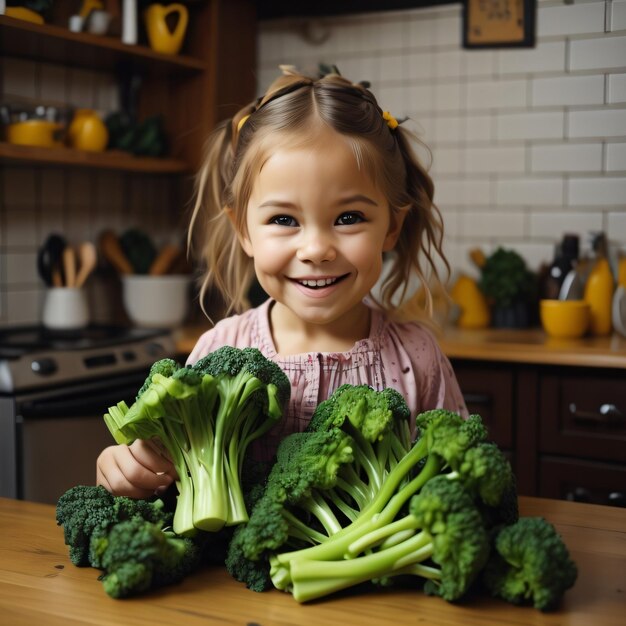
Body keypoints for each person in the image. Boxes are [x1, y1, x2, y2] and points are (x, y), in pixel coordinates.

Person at [96, 67, 467, 499]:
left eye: (349, 218)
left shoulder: (418, 359)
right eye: (283, 220)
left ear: (391, 227)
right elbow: (170, 481)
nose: (316, 249)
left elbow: (460, 485)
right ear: (243, 230)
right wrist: (127, 467)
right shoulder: (219, 353)